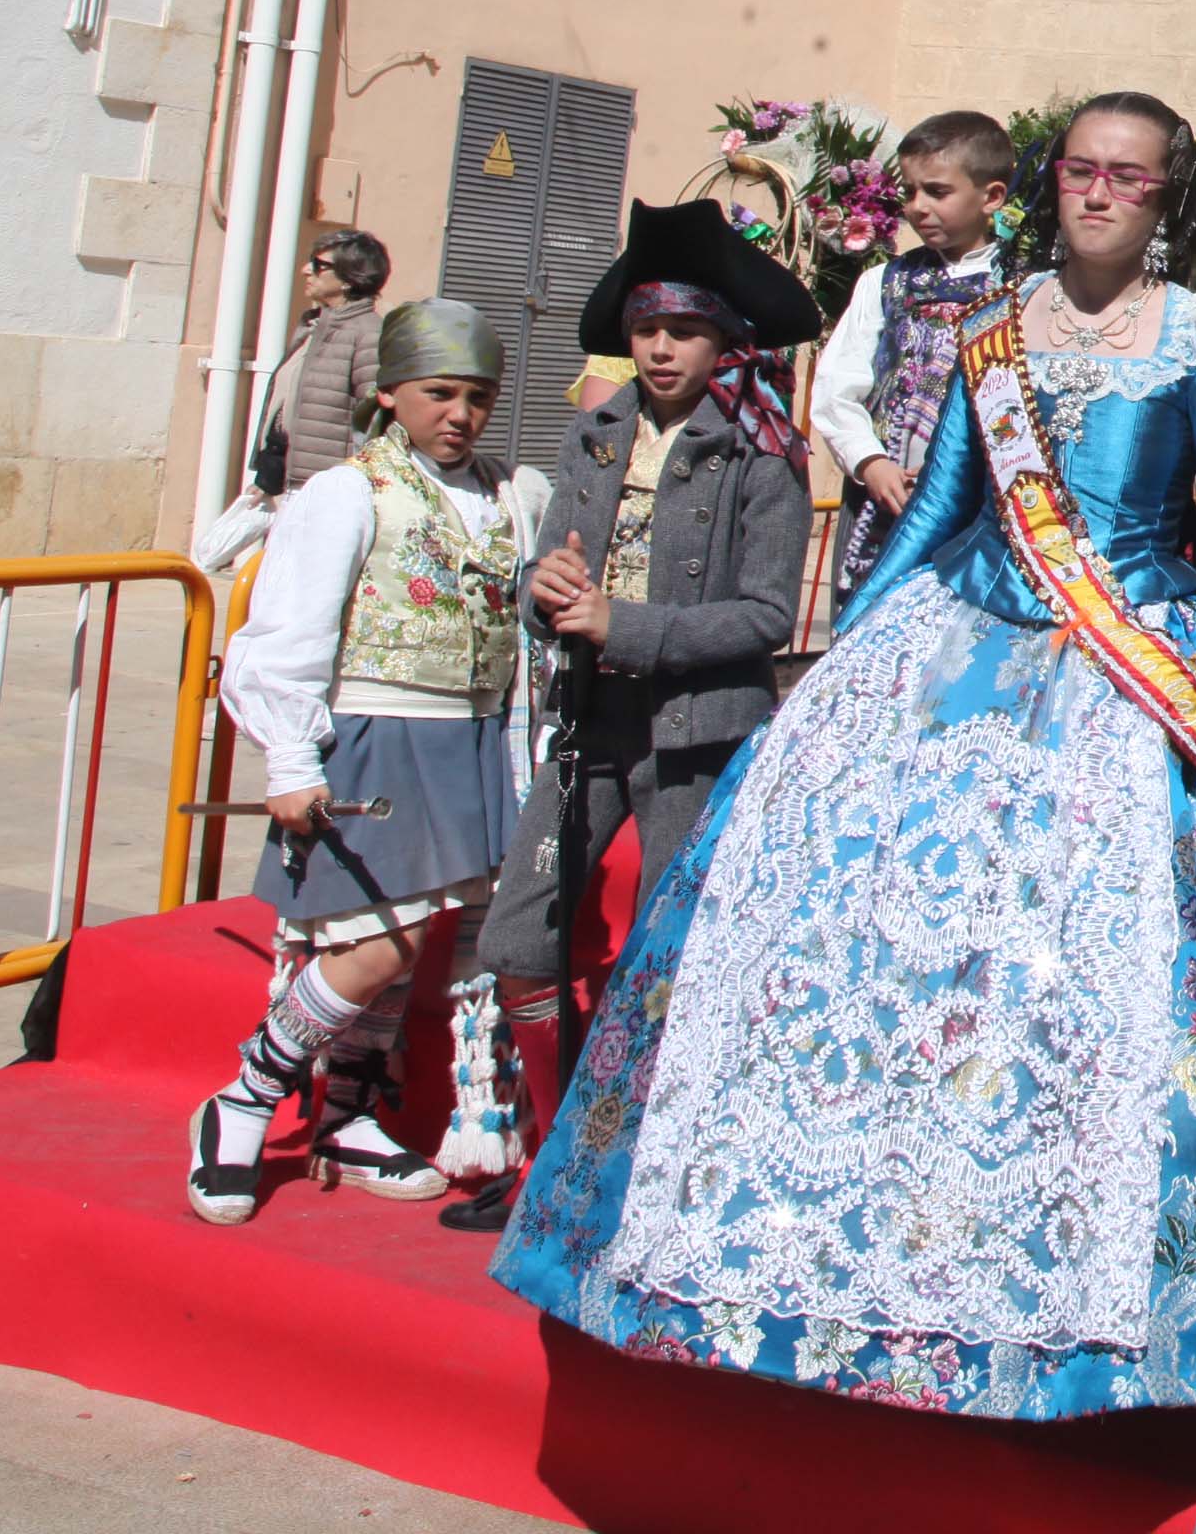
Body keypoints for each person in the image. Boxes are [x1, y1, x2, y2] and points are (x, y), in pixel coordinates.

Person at [494, 97, 1196, 1418]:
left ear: (1168, 203)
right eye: (1084, 172)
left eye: (1132, 180)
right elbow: (936, 503)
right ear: (1055, 185)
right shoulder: (992, 327)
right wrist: (846, 661)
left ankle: (1050, 1286)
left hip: (1126, 657)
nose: (1102, 195)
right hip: (964, 630)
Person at [444, 199, 821, 1233]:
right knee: (520, 933)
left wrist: (625, 622)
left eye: (687, 329)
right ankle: (552, 1150)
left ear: (725, 340)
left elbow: (763, 615)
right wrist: (546, 586)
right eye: (648, 327)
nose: (661, 347)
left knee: (666, 952)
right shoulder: (597, 431)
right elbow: (550, 568)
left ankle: (627, 1171)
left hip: (694, 734)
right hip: (589, 722)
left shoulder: (766, 453)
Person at [188, 298, 550, 1224]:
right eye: (438, 394)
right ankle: (244, 1096)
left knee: (413, 941)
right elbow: (289, 634)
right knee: (373, 942)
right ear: (389, 395)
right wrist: (289, 762)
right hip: (376, 734)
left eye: (477, 396)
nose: (459, 415)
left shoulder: (512, 493)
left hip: (474, 739)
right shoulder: (347, 494)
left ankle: (346, 1117)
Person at [809, 107, 1016, 605]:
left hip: (984, 502)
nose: (917, 206)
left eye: (937, 192)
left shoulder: (1024, 288)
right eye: (909, 191)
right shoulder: (885, 282)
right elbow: (838, 386)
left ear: (991, 197)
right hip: (887, 497)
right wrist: (869, 461)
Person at [252, 228, 389, 499]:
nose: (306, 270)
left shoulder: (368, 334)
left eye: (318, 265)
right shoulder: (314, 327)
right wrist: (268, 475)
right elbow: (290, 408)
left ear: (349, 278)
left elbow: (375, 421)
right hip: (290, 483)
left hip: (329, 490)